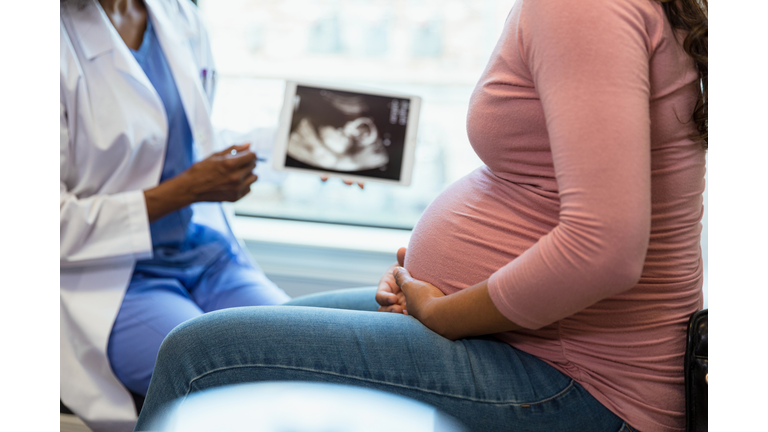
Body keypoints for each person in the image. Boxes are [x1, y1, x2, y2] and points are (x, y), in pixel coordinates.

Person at [135, 0, 707, 431]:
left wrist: (446, 310)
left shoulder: (582, 8)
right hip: (534, 336)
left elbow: (604, 251)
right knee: (266, 326)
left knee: (200, 355)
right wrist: (440, 279)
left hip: (584, 378)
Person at [60, 1, 364, 430]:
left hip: (202, 254)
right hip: (110, 278)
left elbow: (189, 140)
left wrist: (302, 151)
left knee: (314, 366)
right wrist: (186, 190)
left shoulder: (175, 12)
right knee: (233, 397)